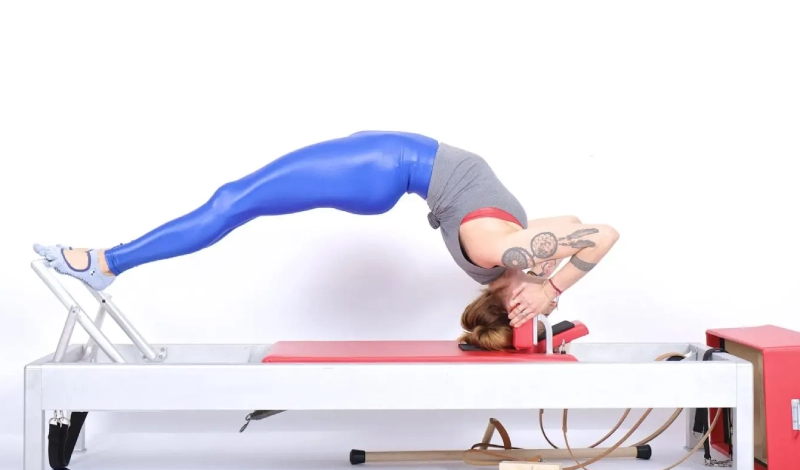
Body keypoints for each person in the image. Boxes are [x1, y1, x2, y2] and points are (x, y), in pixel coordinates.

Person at [33, 130, 619, 349]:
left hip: (386, 166)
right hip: (388, 169)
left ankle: (109, 262)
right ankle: (111, 262)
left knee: (233, 200)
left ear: (510, 298)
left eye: (525, 309)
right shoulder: (523, 253)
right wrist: (553, 291)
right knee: (236, 200)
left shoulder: (501, 251)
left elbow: (605, 234)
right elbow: (577, 223)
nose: (537, 301)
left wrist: (549, 289)